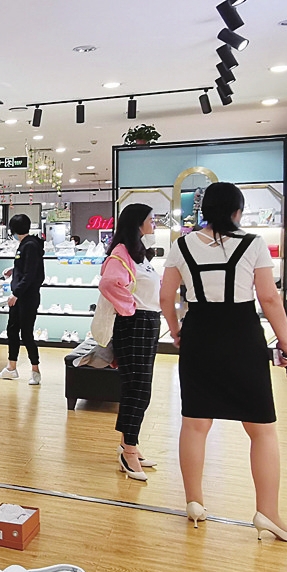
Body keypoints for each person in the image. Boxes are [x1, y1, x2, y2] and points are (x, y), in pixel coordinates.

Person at [159, 181, 287, 541]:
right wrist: (286, 342)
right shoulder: (253, 244)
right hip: (242, 336)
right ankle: (268, 513)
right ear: (238, 211)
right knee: (262, 428)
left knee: (195, 423)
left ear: (204, 211)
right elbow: (269, 298)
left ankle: (194, 503)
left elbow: (165, 296)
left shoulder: (181, 246)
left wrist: (176, 331)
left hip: (199, 334)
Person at [100, 204, 162, 481]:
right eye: (151, 219)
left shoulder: (138, 253)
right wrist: (130, 309)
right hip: (135, 324)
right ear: (138, 222)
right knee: (138, 389)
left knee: (138, 388)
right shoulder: (121, 253)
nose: (154, 224)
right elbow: (108, 283)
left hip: (147, 322)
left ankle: (128, 444)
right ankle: (129, 449)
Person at [0, 213, 45, 385]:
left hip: (26, 297)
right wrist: (13, 269)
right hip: (20, 296)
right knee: (12, 330)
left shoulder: (30, 245)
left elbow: (30, 274)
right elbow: (26, 267)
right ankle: (11, 367)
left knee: (26, 333)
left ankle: (35, 370)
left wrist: (16, 293)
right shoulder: (26, 244)